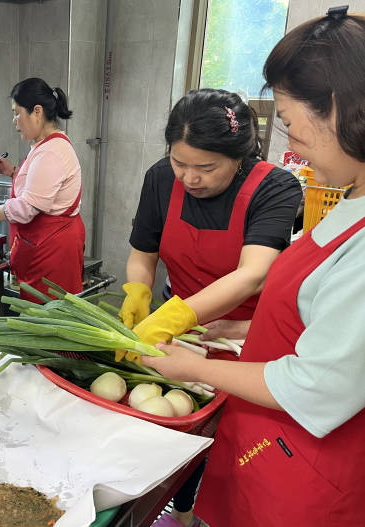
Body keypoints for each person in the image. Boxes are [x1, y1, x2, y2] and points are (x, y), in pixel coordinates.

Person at [143, 8, 365, 526]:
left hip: (303, 472)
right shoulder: (351, 198)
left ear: (338, 108)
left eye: (289, 121)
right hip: (266, 440)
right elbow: (330, 324)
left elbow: (317, 384)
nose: (291, 141)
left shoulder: (281, 189)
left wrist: (192, 365)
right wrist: (250, 327)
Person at [119, 88, 302, 527]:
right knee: (178, 423)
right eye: (180, 163)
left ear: (238, 157)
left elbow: (252, 274)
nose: (189, 178)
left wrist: (178, 316)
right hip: (179, 331)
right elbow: (143, 253)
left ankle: (212, 513)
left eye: (206, 167)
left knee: (238, 444)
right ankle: (179, 509)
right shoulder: (161, 178)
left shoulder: (275, 187)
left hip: (245, 338)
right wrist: (137, 294)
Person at [0, 78, 85, 303]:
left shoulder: (51, 151)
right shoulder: (48, 145)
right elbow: (42, 186)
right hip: (48, 247)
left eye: (17, 113)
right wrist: (13, 173)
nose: (14, 121)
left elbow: (26, 208)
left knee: (49, 323)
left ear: (37, 111)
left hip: (52, 254)